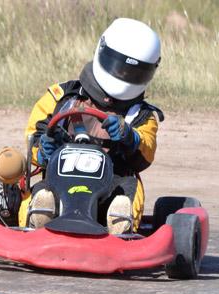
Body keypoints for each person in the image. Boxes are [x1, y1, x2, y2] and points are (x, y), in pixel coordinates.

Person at [21, 18, 164, 234]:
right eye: (119, 67)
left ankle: (119, 226)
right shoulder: (61, 97)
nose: (123, 75)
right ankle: (40, 216)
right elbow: (34, 134)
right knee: (44, 190)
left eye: (132, 72)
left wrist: (129, 137)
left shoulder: (141, 114)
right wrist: (42, 149)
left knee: (128, 190)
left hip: (112, 182)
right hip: (61, 175)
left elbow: (145, 153)